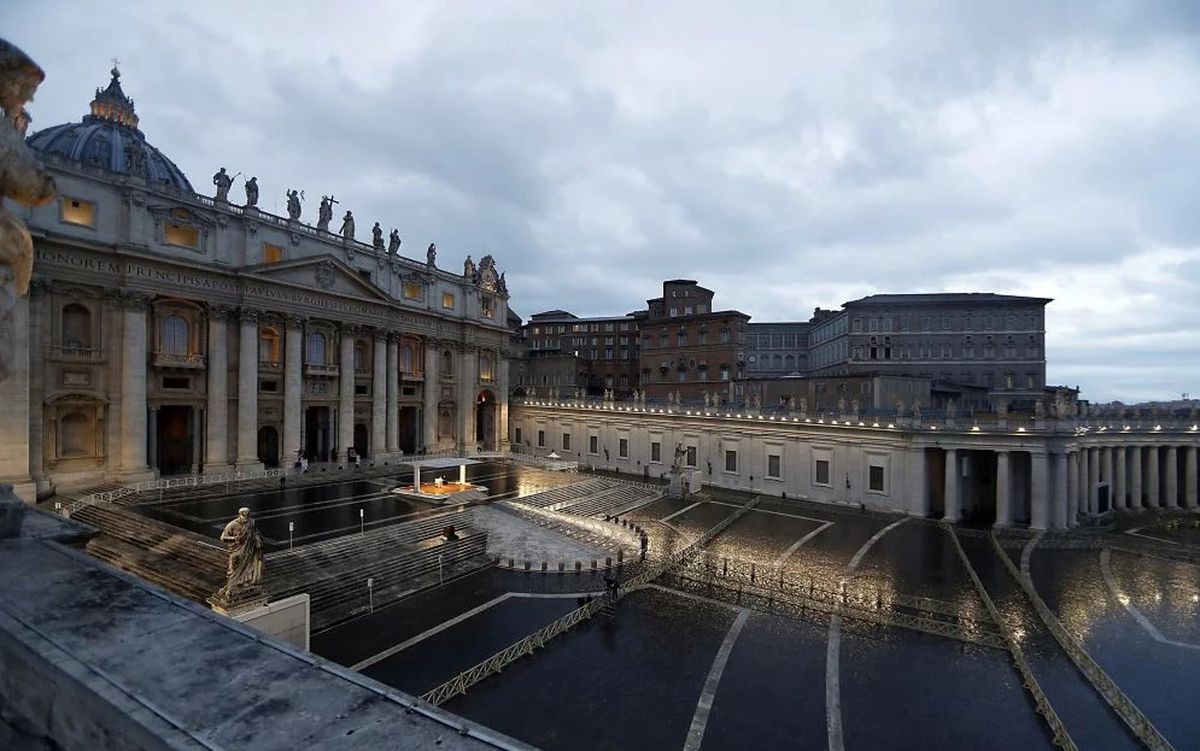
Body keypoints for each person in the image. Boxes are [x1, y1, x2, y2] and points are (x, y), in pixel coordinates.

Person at [217, 507, 263, 596]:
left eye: (247, 517)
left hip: (248, 549)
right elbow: (223, 538)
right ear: (240, 515)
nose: (245, 520)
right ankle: (230, 585)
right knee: (233, 569)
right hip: (236, 550)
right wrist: (234, 538)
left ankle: (244, 582)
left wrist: (258, 539)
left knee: (248, 567)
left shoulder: (251, 522)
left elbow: (256, 532)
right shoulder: (232, 525)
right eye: (243, 518)